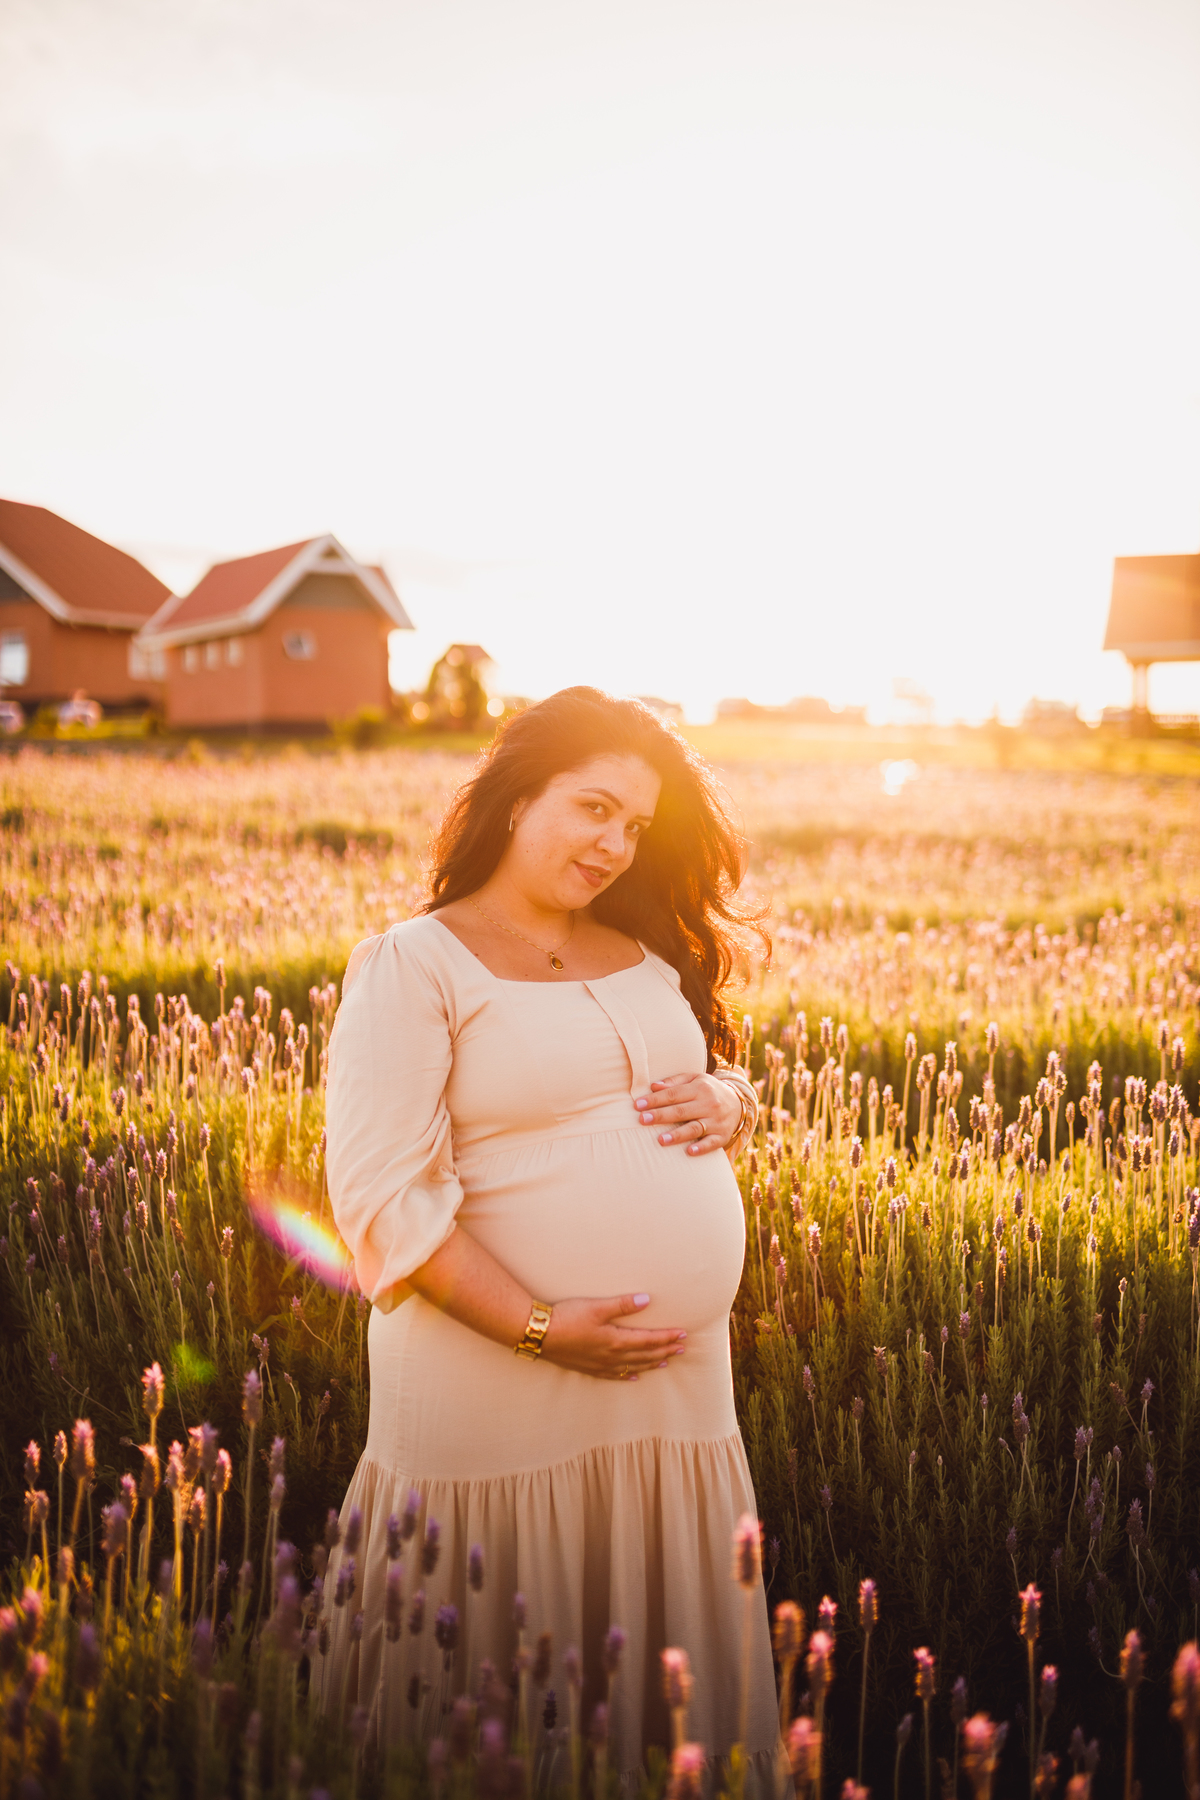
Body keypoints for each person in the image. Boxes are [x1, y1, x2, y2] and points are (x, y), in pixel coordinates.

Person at [315, 687, 778, 1780]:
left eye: (636, 825)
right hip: (496, 1382)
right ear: (519, 797)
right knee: (480, 1684)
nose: (617, 844)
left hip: (676, 1394)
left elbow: (690, 1084)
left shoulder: (642, 946)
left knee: (656, 1679)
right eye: (594, 808)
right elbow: (382, 1201)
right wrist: (536, 1327)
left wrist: (734, 1099)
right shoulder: (414, 964)